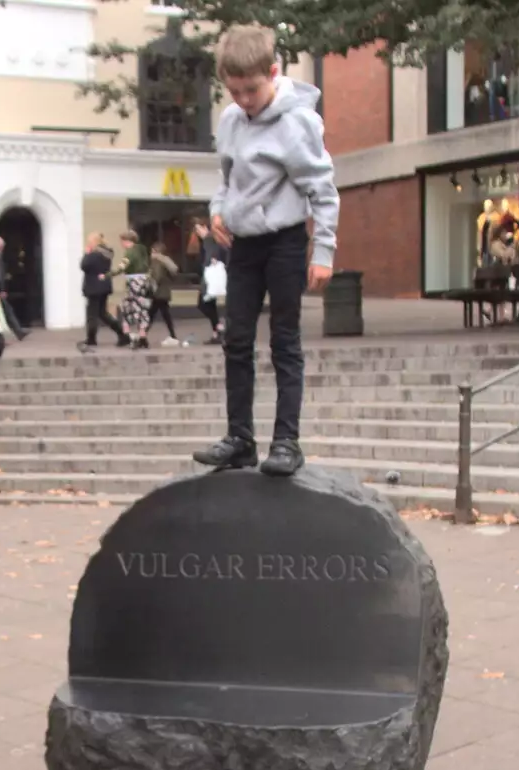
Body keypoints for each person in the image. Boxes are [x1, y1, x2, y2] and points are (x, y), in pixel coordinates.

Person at [191, 25, 339, 479]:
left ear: (272, 72)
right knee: (236, 339)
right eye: (234, 91)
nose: (244, 100)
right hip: (244, 244)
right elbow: (226, 181)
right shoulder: (231, 120)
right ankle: (240, 439)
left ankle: (287, 442)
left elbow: (324, 190)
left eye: (251, 90)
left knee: (284, 340)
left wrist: (324, 251)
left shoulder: (296, 123)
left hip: (285, 241)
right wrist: (218, 211)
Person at [78, 232, 126, 351]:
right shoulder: (107, 253)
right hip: (104, 286)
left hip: (94, 287)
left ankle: (91, 339)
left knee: (92, 314)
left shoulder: (95, 254)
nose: (88, 243)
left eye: (90, 241)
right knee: (102, 314)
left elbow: (84, 266)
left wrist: (87, 253)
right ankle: (122, 334)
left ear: (94, 242)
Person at [112, 230, 153, 348]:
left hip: (134, 283)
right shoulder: (142, 249)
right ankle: (142, 336)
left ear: (126, 241)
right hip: (143, 281)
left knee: (128, 308)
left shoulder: (129, 253)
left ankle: (129, 336)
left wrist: (107, 275)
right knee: (141, 308)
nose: (121, 244)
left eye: (121, 241)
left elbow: (121, 267)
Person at [192, 214, 228, 344]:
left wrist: (211, 259)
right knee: (210, 304)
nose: (197, 232)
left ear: (205, 227)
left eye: (198, 229)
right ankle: (216, 332)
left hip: (209, 277)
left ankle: (220, 327)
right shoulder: (211, 239)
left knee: (203, 304)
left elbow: (211, 254)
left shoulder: (209, 239)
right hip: (210, 275)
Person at [0, 236, 27, 340]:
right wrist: (1, 290)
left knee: (5, 312)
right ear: (1, 246)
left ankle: (18, 332)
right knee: (2, 313)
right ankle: (16, 332)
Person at [147, 242, 181, 346]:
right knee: (163, 315)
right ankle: (173, 335)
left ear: (157, 252)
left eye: (152, 252)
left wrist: (150, 282)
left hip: (158, 292)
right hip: (164, 292)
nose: (151, 254)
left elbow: (157, 277)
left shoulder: (157, 262)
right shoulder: (165, 261)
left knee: (151, 315)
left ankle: (142, 334)